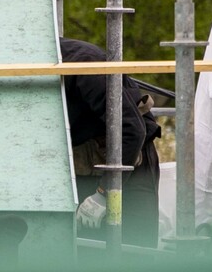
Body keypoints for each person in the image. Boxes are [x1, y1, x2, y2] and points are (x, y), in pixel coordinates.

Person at [60, 38, 162, 248]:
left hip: (131, 159)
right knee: (89, 248)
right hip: (83, 159)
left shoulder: (85, 64)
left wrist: (104, 193)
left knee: (133, 249)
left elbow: (132, 130)